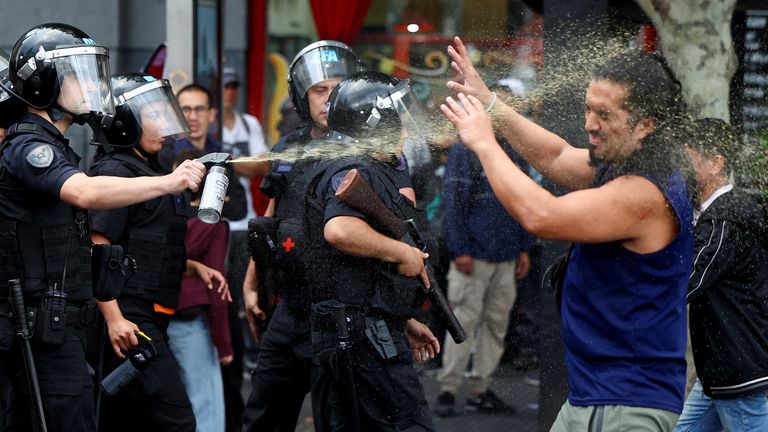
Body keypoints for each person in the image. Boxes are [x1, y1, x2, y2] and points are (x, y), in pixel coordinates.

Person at [440, 37, 695, 430]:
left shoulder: (645, 192)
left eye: (605, 115)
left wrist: (484, 144)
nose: (589, 124)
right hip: (595, 397)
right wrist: (490, 104)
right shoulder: (627, 160)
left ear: (646, 125)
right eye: (588, 109)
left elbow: (542, 215)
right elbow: (556, 156)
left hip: (622, 406)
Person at [0, 24, 206, 432]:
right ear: (43, 84)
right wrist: (169, 182)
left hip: (57, 328)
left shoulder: (56, 145)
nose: (88, 84)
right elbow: (85, 193)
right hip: (38, 332)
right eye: (75, 73)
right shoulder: (29, 147)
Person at [89, 72, 230, 432]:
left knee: (130, 420)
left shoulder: (148, 171)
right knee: (176, 419)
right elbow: (98, 247)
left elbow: (145, 247)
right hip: (132, 317)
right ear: (124, 123)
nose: (164, 126)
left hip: (150, 315)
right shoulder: (116, 172)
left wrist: (194, 268)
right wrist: (114, 319)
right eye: (153, 115)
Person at [241, 40, 364, 432]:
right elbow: (269, 217)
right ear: (302, 96)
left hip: (344, 314)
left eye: (337, 87)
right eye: (319, 90)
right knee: (262, 417)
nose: (329, 99)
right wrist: (250, 284)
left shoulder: (370, 148)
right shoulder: (289, 148)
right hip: (290, 310)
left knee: (338, 422)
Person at [308, 71, 439, 431]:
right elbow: (339, 230)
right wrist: (402, 253)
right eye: (399, 123)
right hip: (359, 333)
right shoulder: (353, 169)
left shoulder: (361, 167)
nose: (407, 132)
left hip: (356, 326)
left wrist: (402, 319)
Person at [673, 118, 768, 431]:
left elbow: (689, 282)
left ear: (716, 164)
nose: (680, 169)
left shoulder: (723, 220)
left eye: (688, 161)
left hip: (739, 373)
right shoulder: (734, 208)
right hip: (722, 370)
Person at [434, 137, 534, 417]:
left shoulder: (514, 148)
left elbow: (523, 198)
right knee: (463, 324)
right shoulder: (465, 150)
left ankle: (480, 388)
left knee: (495, 325)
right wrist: (460, 250)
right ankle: (448, 389)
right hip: (473, 256)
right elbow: (453, 202)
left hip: (505, 255)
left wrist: (523, 247)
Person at [167, 148, 233, 432]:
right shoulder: (213, 225)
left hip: (157, 318)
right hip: (193, 322)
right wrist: (225, 345)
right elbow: (216, 286)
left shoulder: (167, 216)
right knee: (206, 405)